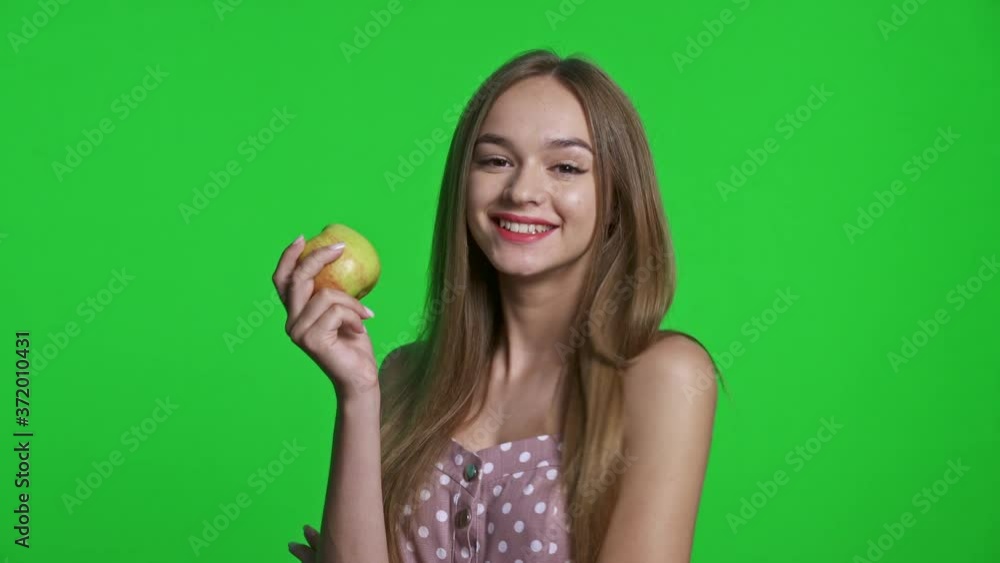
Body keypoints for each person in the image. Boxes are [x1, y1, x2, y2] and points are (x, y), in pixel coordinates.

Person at [273, 48, 721, 563]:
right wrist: (356, 393)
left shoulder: (663, 376)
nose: (523, 190)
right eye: (496, 160)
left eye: (567, 167)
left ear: (616, 198)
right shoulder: (399, 378)